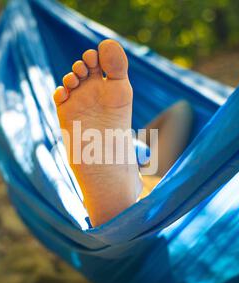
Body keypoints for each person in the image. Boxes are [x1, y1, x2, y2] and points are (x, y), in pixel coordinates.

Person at [53, 39, 193, 226]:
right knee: (182, 110)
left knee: (181, 111)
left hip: (146, 180)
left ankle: (124, 190)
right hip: (152, 183)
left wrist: (125, 142)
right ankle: (127, 185)